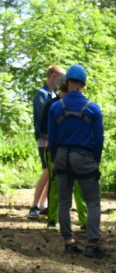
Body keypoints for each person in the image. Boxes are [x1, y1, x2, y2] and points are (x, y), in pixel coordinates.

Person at [48, 64, 105, 258]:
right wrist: (95, 161)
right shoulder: (93, 109)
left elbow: (52, 138)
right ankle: (91, 244)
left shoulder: (56, 107)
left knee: (64, 201)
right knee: (93, 202)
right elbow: (98, 139)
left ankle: (68, 242)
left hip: (62, 155)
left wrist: (55, 158)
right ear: (83, 84)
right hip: (83, 157)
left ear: (67, 83)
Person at [40, 78, 88, 231]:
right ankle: (52, 220)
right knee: (56, 186)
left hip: (76, 151)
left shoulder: (81, 105)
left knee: (79, 187)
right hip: (56, 151)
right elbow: (44, 130)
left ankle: (84, 221)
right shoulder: (52, 106)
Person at [29, 65, 65, 219]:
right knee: (46, 171)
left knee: (52, 172)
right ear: (53, 76)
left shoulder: (55, 94)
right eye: (61, 77)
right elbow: (44, 115)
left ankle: (43, 204)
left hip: (54, 138)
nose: (63, 81)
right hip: (44, 138)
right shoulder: (41, 94)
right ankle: (34, 206)